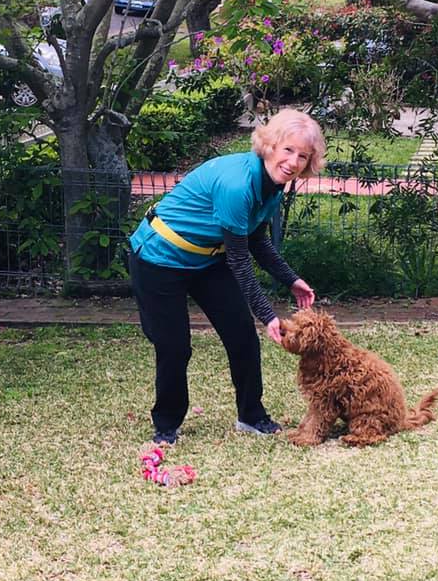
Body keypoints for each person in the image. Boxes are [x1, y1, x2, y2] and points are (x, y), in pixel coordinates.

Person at [128, 107, 325, 444]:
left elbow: (256, 240)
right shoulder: (238, 183)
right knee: (174, 346)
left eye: (302, 156)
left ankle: (251, 416)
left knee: (241, 335)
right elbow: (239, 259)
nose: (293, 162)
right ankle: (166, 425)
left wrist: (290, 279)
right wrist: (268, 315)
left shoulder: (272, 184)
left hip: (206, 259)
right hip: (159, 258)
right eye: (288, 150)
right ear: (270, 146)